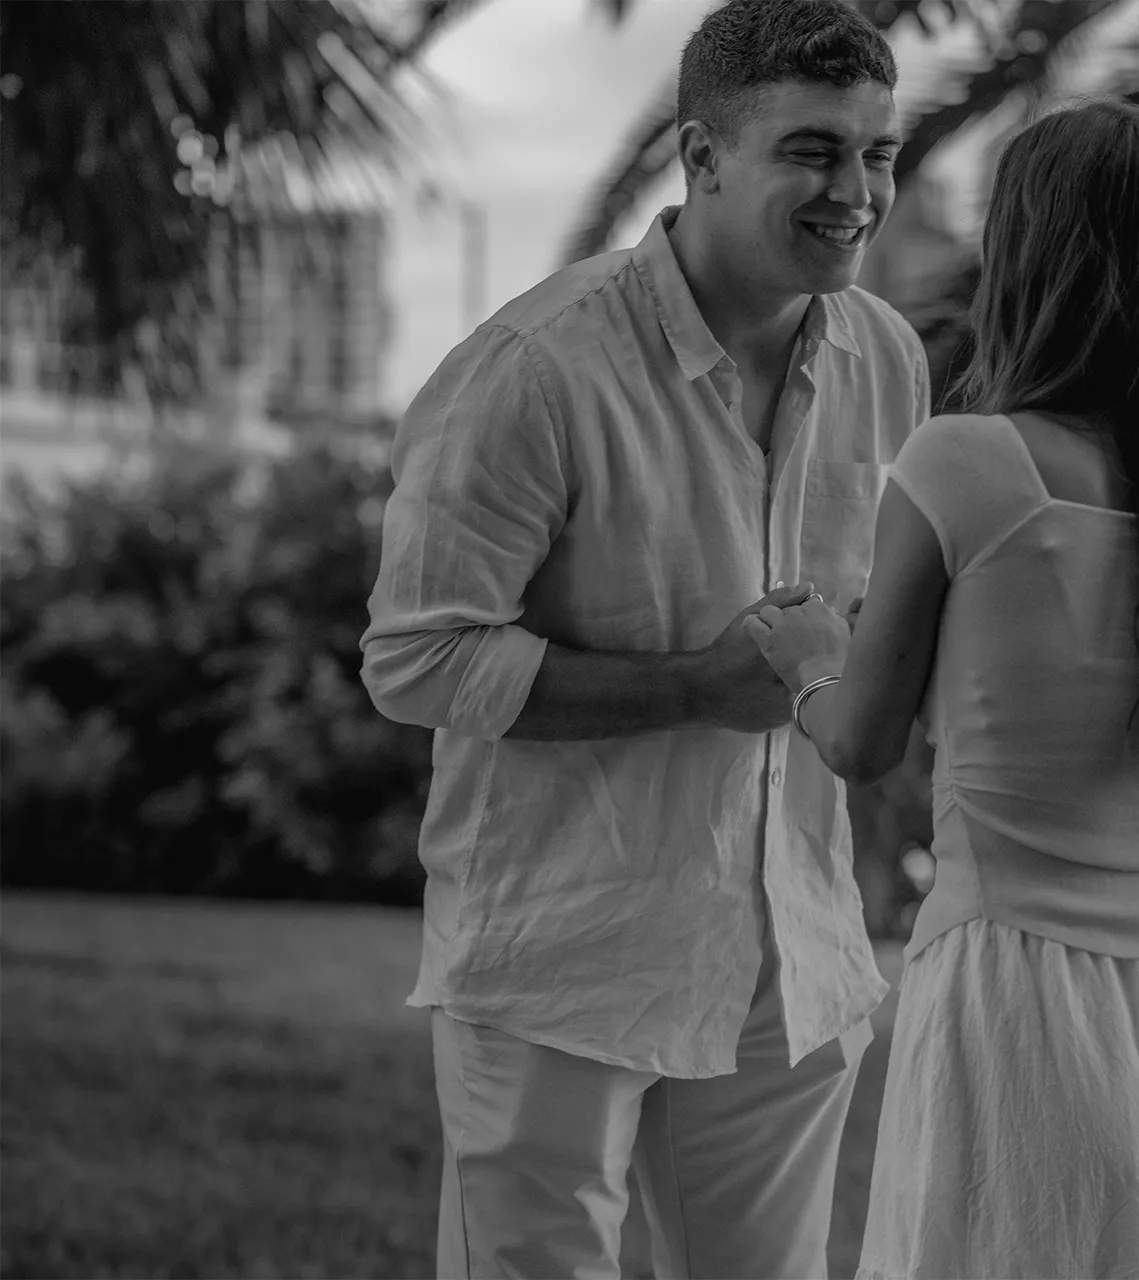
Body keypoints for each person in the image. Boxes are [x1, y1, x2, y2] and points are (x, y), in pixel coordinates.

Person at [358, 1, 929, 1275]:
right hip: (565, 951)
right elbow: (415, 659)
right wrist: (695, 687)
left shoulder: (889, 359)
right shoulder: (534, 369)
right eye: (813, 150)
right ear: (703, 154)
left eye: (877, 152)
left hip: (797, 953)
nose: (856, 190)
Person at [745, 99, 1139, 1279]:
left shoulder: (965, 462)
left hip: (1020, 993)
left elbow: (860, 738)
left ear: (1031, 257)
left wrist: (808, 653)